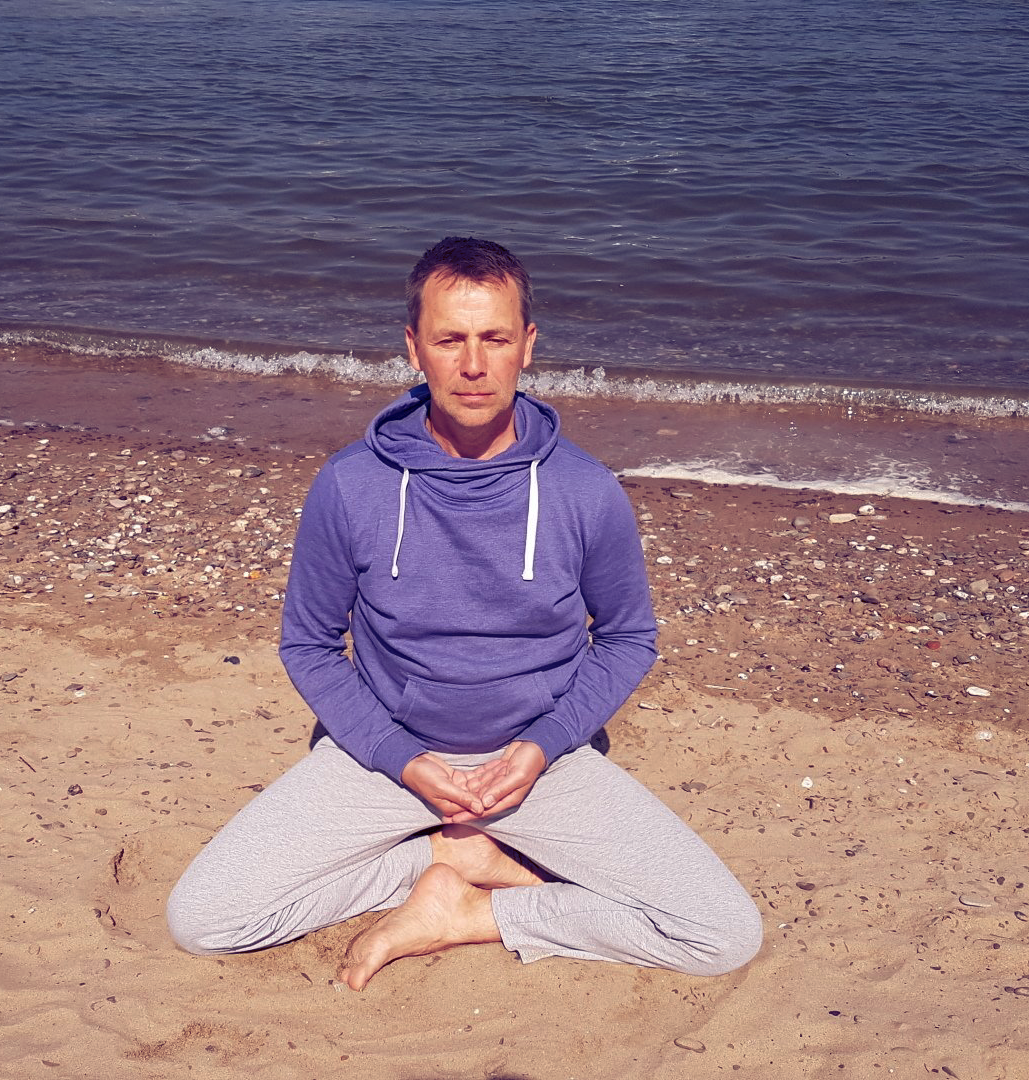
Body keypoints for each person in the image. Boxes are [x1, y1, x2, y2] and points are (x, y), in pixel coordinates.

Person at [165, 237, 761, 989]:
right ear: (414, 349)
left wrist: (543, 745)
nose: (473, 365)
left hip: (537, 766)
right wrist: (398, 756)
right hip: (388, 759)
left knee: (722, 936)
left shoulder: (585, 491)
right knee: (206, 920)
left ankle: (472, 910)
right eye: (450, 339)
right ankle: (445, 855)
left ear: (528, 347)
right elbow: (309, 644)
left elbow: (628, 636)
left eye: (495, 339)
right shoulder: (350, 484)